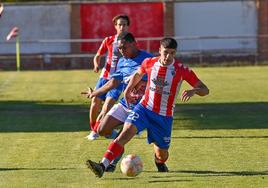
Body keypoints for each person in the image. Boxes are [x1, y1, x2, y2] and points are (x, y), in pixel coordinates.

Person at [86, 37, 209, 178]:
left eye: (172, 53)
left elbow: (205, 89)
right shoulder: (149, 62)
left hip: (163, 117)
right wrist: (127, 90)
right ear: (159, 51)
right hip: (144, 109)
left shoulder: (181, 70)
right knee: (124, 134)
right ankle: (102, 166)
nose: (168, 56)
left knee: (162, 153)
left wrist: (194, 90)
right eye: (165, 52)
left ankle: (159, 162)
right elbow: (138, 74)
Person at [85, 15, 130, 140]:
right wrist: (96, 64)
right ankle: (94, 128)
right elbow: (98, 55)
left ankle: (96, 131)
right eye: (119, 24)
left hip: (118, 80)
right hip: (105, 76)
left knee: (106, 107)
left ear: (128, 26)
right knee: (95, 103)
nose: (122, 27)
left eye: (124, 24)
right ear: (115, 26)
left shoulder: (131, 42)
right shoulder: (108, 40)